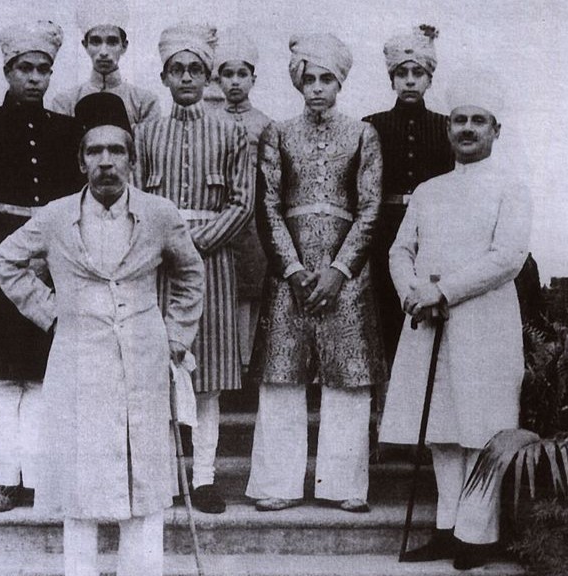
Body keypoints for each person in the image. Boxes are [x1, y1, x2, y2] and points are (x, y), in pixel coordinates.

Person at [0, 92, 205, 576]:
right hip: (77, 360)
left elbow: (191, 274)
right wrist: (52, 313)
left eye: (117, 151)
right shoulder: (54, 215)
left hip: (145, 356)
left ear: (132, 158)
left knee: (145, 475)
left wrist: (176, 336)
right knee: (80, 477)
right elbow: (4, 261)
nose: (106, 162)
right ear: (80, 160)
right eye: (94, 152)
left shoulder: (159, 213)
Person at [381, 68, 532, 570]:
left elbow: (507, 258)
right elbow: (400, 250)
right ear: (448, 129)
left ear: (495, 130)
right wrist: (411, 294)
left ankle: (477, 535)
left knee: (481, 428)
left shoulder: (510, 187)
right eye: (460, 120)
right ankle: (447, 530)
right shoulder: (428, 190)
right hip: (427, 324)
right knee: (442, 428)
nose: (467, 129)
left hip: (484, 324)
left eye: (479, 121)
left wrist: (442, 290)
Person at [246, 33, 386, 513]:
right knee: (281, 377)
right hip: (291, 273)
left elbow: (370, 210)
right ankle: (278, 483)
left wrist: (341, 270)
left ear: (340, 83)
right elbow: (267, 206)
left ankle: (342, 484)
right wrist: (292, 269)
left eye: (327, 79)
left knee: (348, 377)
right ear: (298, 83)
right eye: (310, 79)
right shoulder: (278, 133)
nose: (318, 88)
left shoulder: (363, 134)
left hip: (345, 275)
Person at [0, 20, 85, 512]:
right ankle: (5, 479)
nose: (34, 78)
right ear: (7, 71)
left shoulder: (68, 131)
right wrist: (11, 257)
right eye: (24, 69)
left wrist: (52, 259)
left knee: (41, 378)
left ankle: (38, 478)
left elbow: (76, 205)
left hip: (54, 273)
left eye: (43, 69)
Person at [135, 22, 254, 515]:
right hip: (156, 267)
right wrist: (166, 245)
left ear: (207, 77)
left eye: (195, 70)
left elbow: (242, 202)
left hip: (213, 265)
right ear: (164, 76)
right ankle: (163, 477)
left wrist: (195, 243)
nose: (186, 77)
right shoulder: (143, 133)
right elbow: (134, 197)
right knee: (159, 369)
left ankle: (204, 478)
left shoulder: (233, 132)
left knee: (208, 378)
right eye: (177, 69)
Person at [362, 25, 453, 368]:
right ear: (392, 80)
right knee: (386, 313)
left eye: (418, 73)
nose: (410, 81)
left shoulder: (445, 126)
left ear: (430, 79)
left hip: (432, 230)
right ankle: (384, 407)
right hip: (384, 232)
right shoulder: (372, 125)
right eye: (402, 74)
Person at [211, 30, 273, 365]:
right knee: (219, 291)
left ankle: (247, 363)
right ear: (217, 79)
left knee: (252, 291)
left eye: (242, 74)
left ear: (253, 78)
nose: (235, 82)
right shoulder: (209, 121)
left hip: (254, 222)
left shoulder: (266, 125)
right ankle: (223, 360)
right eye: (228, 74)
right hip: (219, 218)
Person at [50, 0, 159, 131]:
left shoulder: (144, 102)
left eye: (112, 42)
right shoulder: (65, 102)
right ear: (85, 45)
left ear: (124, 46)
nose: (104, 52)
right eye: (96, 42)